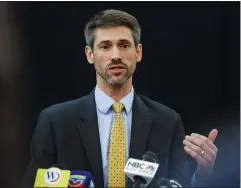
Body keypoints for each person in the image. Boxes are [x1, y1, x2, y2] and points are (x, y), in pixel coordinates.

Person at [20, 9, 218, 188]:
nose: (116, 55)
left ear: (138, 52)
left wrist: (202, 175)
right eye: (105, 46)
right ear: (90, 54)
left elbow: (179, 184)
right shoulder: (56, 121)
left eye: (124, 45)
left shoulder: (167, 121)